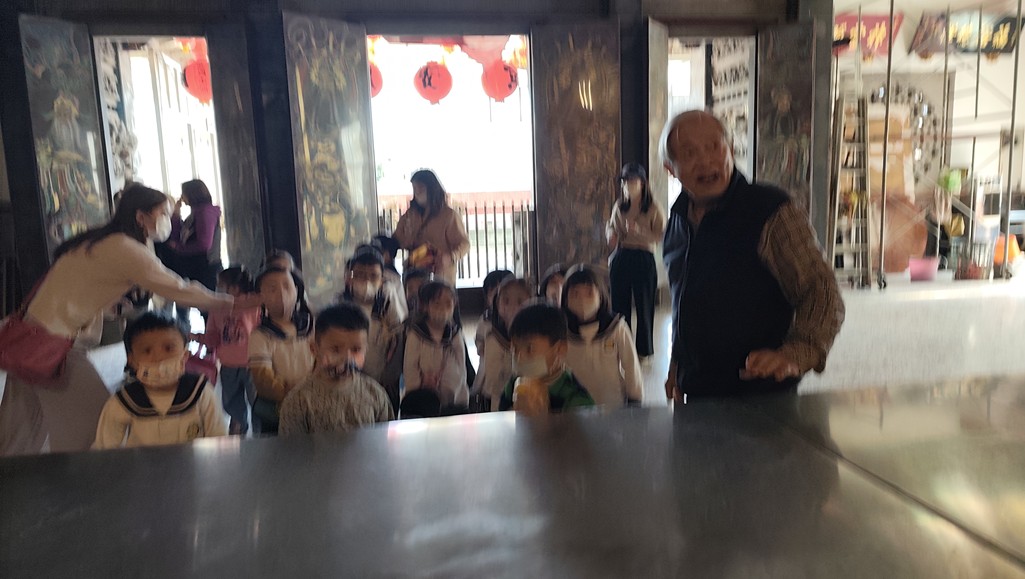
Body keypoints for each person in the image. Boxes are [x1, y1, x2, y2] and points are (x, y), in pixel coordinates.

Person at [0, 183, 255, 456]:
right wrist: (231, 303)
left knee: (18, 433)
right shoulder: (125, 247)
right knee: (95, 428)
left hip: (30, 339)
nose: (168, 220)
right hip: (54, 344)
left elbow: (80, 289)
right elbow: (177, 288)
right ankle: (81, 479)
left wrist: (113, 306)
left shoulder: (100, 241)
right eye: (163, 213)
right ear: (140, 216)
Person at [660, 110, 844, 399]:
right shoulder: (677, 221)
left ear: (731, 150)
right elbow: (684, 302)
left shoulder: (771, 210)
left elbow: (821, 288)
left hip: (762, 396)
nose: (706, 161)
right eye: (689, 153)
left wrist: (797, 352)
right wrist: (678, 362)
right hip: (698, 395)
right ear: (670, 168)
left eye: (714, 147)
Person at [93, 313, 227, 449]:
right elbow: (104, 447)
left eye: (169, 348)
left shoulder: (200, 392)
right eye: (147, 350)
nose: (159, 357)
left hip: (192, 462)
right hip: (143, 463)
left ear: (185, 355)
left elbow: (218, 436)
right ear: (131, 360)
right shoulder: (126, 400)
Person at [278, 303, 394, 435]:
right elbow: (291, 447)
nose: (347, 358)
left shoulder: (376, 394)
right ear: (314, 349)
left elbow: (385, 441)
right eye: (335, 350)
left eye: (356, 350)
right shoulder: (298, 402)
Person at [606, 162, 666, 359]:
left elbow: (661, 236)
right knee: (619, 305)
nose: (628, 185)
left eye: (632, 181)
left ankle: (643, 351)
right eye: (625, 181)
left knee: (644, 305)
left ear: (643, 183)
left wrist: (639, 231)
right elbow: (611, 226)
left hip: (644, 256)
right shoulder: (620, 206)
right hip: (623, 254)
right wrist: (611, 234)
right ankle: (622, 347)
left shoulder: (653, 208)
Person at [561, 264, 643, 408]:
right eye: (575, 294)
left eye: (589, 293)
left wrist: (635, 399)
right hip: (574, 406)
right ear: (565, 299)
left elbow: (631, 365)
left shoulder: (616, 327)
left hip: (613, 403)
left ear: (600, 295)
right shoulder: (562, 332)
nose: (582, 300)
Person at [248, 267, 315, 434]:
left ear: (296, 291)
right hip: (278, 409)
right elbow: (263, 379)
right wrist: (299, 395)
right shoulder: (260, 335)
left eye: (287, 286)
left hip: (315, 403)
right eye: (272, 289)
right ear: (261, 297)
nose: (281, 294)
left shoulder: (312, 326)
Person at [194, 266, 260, 434]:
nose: (217, 289)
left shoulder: (254, 303)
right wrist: (198, 337)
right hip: (230, 364)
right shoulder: (217, 307)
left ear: (235, 288)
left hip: (253, 364)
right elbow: (214, 337)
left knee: (256, 401)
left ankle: (258, 431)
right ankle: (240, 424)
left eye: (221, 285)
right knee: (232, 401)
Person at [337, 245, 405, 407]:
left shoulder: (388, 303)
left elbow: (398, 339)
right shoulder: (341, 304)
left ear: (382, 280)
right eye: (360, 275)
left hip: (384, 377)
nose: (366, 281)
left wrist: (391, 374)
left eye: (373, 276)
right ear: (350, 276)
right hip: (351, 378)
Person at [498, 303, 595, 412]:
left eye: (530, 349)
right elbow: (502, 414)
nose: (519, 357)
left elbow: (583, 423)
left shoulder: (576, 397)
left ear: (560, 349)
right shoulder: (513, 384)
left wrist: (542, 416)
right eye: (514, 349)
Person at [393, 169, 470, 285]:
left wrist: (450, 257)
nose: (417, 192)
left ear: (431, 189)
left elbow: (464, 244)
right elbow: (397, 239)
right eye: (414, 188)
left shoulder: (449, 215)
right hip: (414, 276)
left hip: (440, 278)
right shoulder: (409, 215)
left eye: (421, 188)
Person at [402, 281, 468, 409]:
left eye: (448, 303)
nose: (443, 308)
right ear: (425, 306)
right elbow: (410, 366)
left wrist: (446, 384)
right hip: (423, 394)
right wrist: (421, 383)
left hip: (452, 395)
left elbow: (460, 364)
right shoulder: (416, 334)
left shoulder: (455, 333)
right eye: (437, 303)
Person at [167, 179, 223, 326]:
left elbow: (204, 244)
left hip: (206, 268)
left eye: (184, 193)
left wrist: (179, 248)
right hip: (195, 268)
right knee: (201, 308)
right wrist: (176, 216)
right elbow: (178, 236)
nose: (182, 196)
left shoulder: (205, 213)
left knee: (209, 311)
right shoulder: (194, 215)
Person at [472, 277, 531, 410]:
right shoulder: (494, 338)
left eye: (520, 302)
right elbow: (493, 379)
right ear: (497, 304)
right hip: (500, 398)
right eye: (506, 301)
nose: (512, 307)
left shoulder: (535, 336)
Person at [475, 269, 514, 358]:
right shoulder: (485, 319)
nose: (497, 295)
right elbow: (479, 339)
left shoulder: (518, 320)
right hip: (490, 360)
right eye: (492, 291)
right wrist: (482, 347)